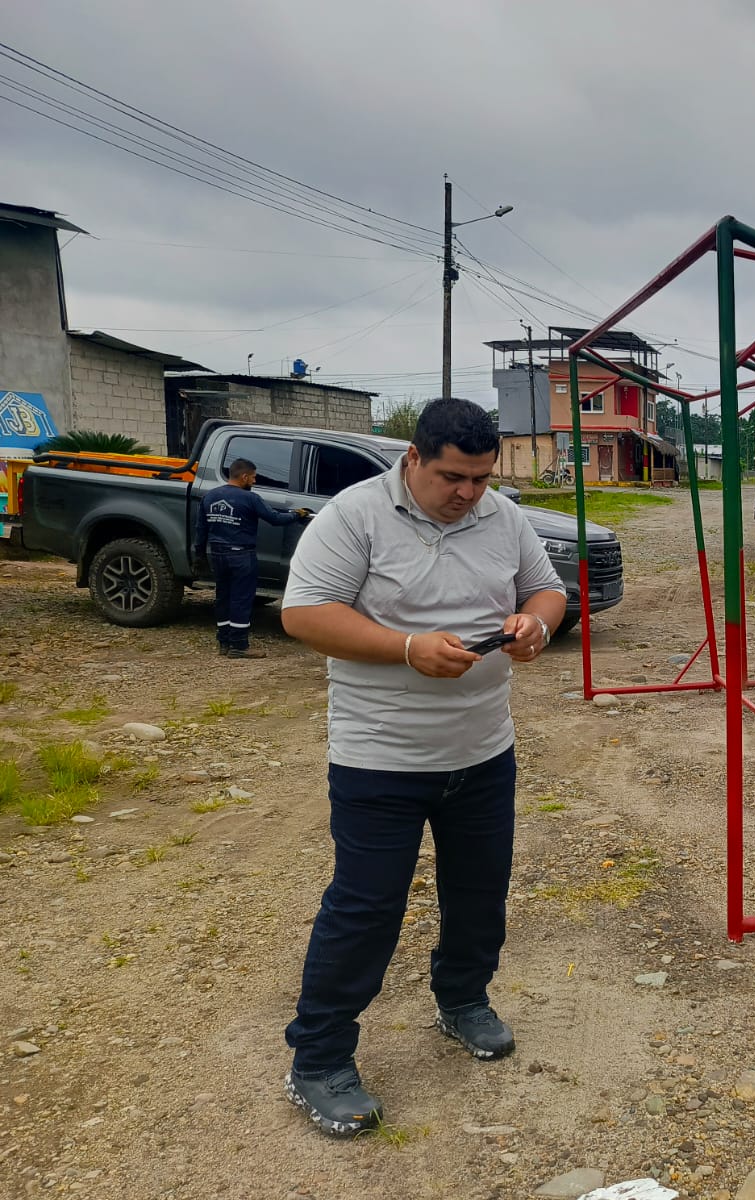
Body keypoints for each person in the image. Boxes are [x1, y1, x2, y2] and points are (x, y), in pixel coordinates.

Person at [277, 398, 568, 1137]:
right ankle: (318, 1059)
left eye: (480, 477)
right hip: (381, 756)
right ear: (414, 458)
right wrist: (407, 648)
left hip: (483, 750)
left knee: (479, 894)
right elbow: (304, 613)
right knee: (366, 908)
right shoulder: (356, 516)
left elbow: (547, 590)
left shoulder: (502, 517)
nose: (468, 493)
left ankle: (463, 1000)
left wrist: (535, 623)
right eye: (451, 477)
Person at [195, 458, 308, 658]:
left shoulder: (210, 497)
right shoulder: (250, 499)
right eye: (253, 477)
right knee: (241, 599)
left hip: (218, 555)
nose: (255, 481)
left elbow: (201, 529)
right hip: (241, 556)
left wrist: (200, 555)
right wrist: (297, 514)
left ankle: (224, 642)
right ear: (244, 476)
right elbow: (275, 519)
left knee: (223, 597)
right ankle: (239, 646)